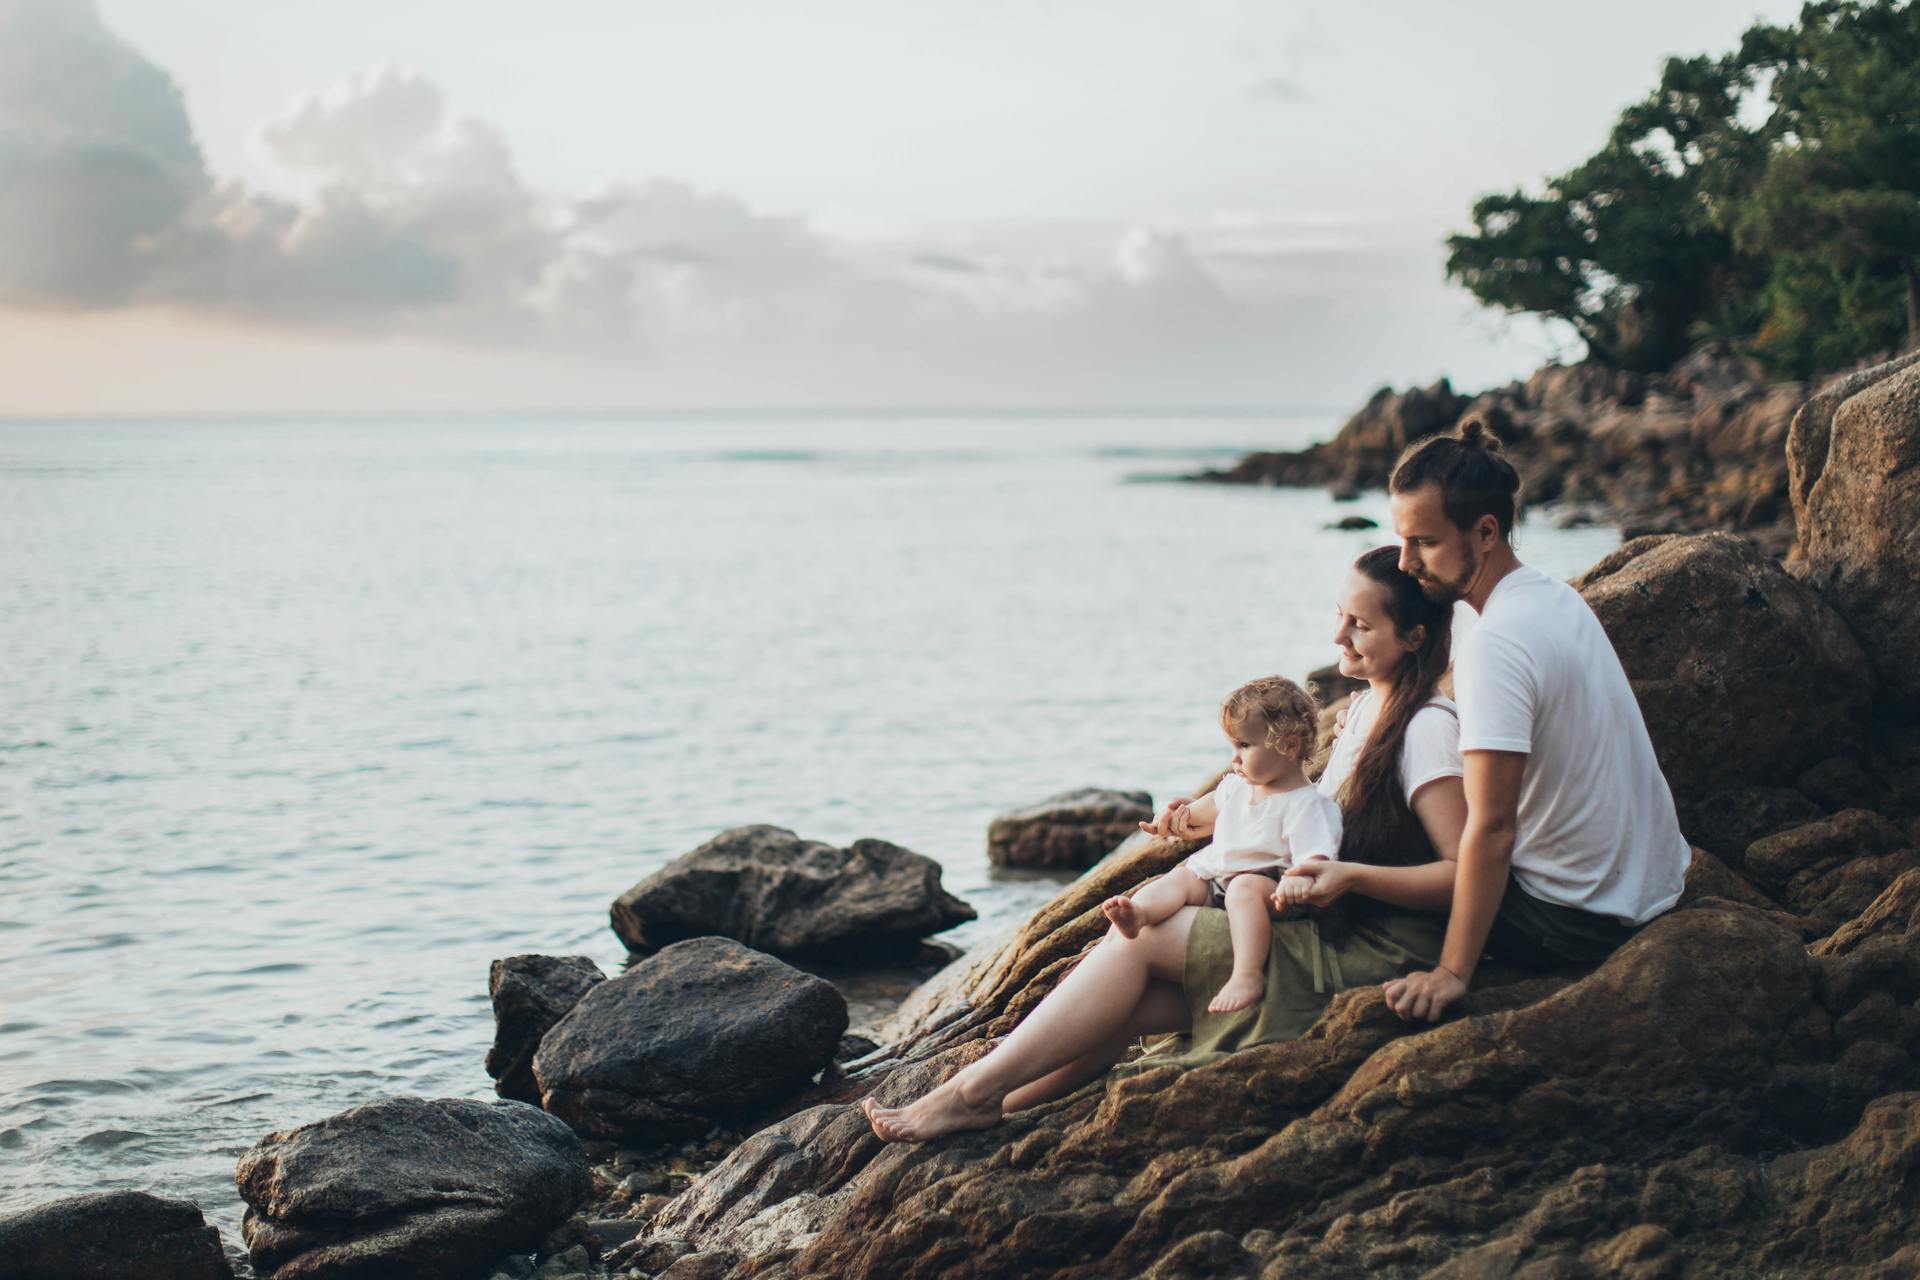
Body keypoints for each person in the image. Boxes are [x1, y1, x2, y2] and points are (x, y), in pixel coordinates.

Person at [864, 546, 1467, 1142]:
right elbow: (1306, 810)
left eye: (1360, 624)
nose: (1338, 634)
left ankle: (969, 1093)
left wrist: (1354, 878)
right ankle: (1004, 1102)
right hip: (1321, 919)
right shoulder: (1363, 709)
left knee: (1140, 939)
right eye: (1339, 613)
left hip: (1369, 947)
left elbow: (1464, 877)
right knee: (1132, 998)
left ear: (1413, 637)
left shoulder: (1426, 729)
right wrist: (1214, 820)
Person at [1377, 419, 1689, 1023]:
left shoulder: (1493, 644)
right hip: (1654, 885)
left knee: (1382, 837)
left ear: (1486, 532)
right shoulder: (1549, 594)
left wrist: (1451, 972)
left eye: (1426, 542)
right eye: (1401, 540)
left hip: (1576, 918)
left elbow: (1493, 830)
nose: (1406, 562)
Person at [1102, 676, 1342, 1014]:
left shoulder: (1307, 805)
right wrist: (1170, 818)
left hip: (1272, 890)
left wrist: (1299, 880)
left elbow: (1316, 856)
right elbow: (1199, 812)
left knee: (1244, 888)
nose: (1235, 759)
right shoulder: (1237, 788)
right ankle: (1140, 914)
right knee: (1183, 877)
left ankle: (1247, 974)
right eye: (1233, 747)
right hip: (1220, 879)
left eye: (1244, 746)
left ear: (1287, 746)